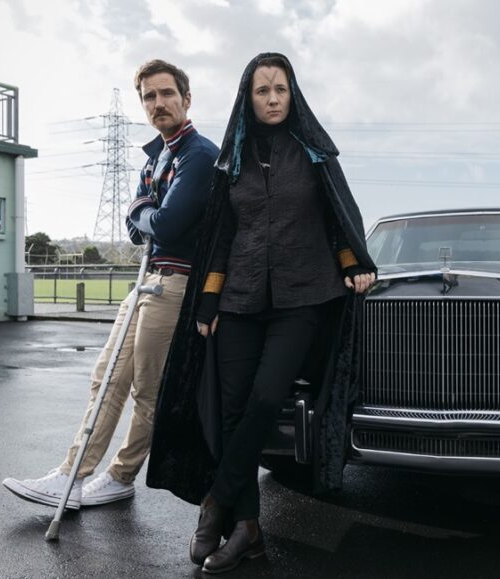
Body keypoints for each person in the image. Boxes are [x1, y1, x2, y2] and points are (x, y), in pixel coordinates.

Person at [143, 53, 376, 574]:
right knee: (229, 411)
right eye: (262, 91)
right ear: (247, 98)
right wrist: (207, 299)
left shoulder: (314, 154)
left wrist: (355, 262)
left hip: (302, 298)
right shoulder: (233, 157)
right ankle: (247, 527)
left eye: (280, 90)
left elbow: (339, 218)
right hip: (239, 299)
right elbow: (222, 234)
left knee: (267, 399)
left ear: (293, 95)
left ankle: (216, 503)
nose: (272, 99)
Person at [2, 59, 218, 509]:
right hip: (148, 281)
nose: (158, 103)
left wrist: (143, 208)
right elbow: (139, 230)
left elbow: (168, 224)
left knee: (147, 390)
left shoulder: (199, 156)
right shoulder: (158, 155)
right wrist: (146, 212)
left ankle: (121, 475)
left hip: (176, 284)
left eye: (166, 94)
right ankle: (71, 475)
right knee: (107, 378)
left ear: (186, 99)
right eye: (149, 97)